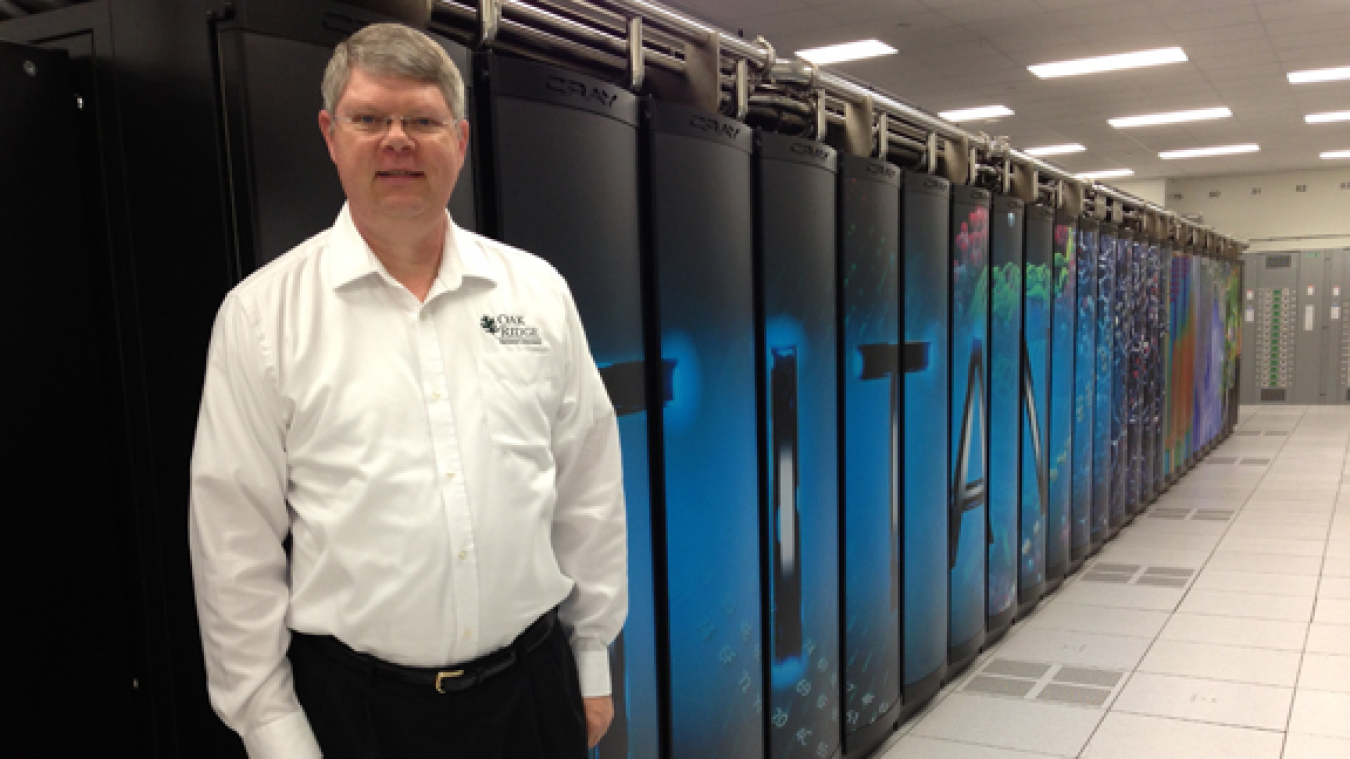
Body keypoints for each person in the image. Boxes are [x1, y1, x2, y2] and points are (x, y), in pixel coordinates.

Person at [188, 22, 626, 759]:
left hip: (531, 693)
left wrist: (591, 658)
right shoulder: (262, 318)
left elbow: (587, 484)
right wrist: (273, 729)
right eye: (370, 119)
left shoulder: (536, 292)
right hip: (358, 716)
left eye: (421, 120)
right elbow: (233, 543)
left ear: (458, 139)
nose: (397, 140)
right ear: (331, 134)